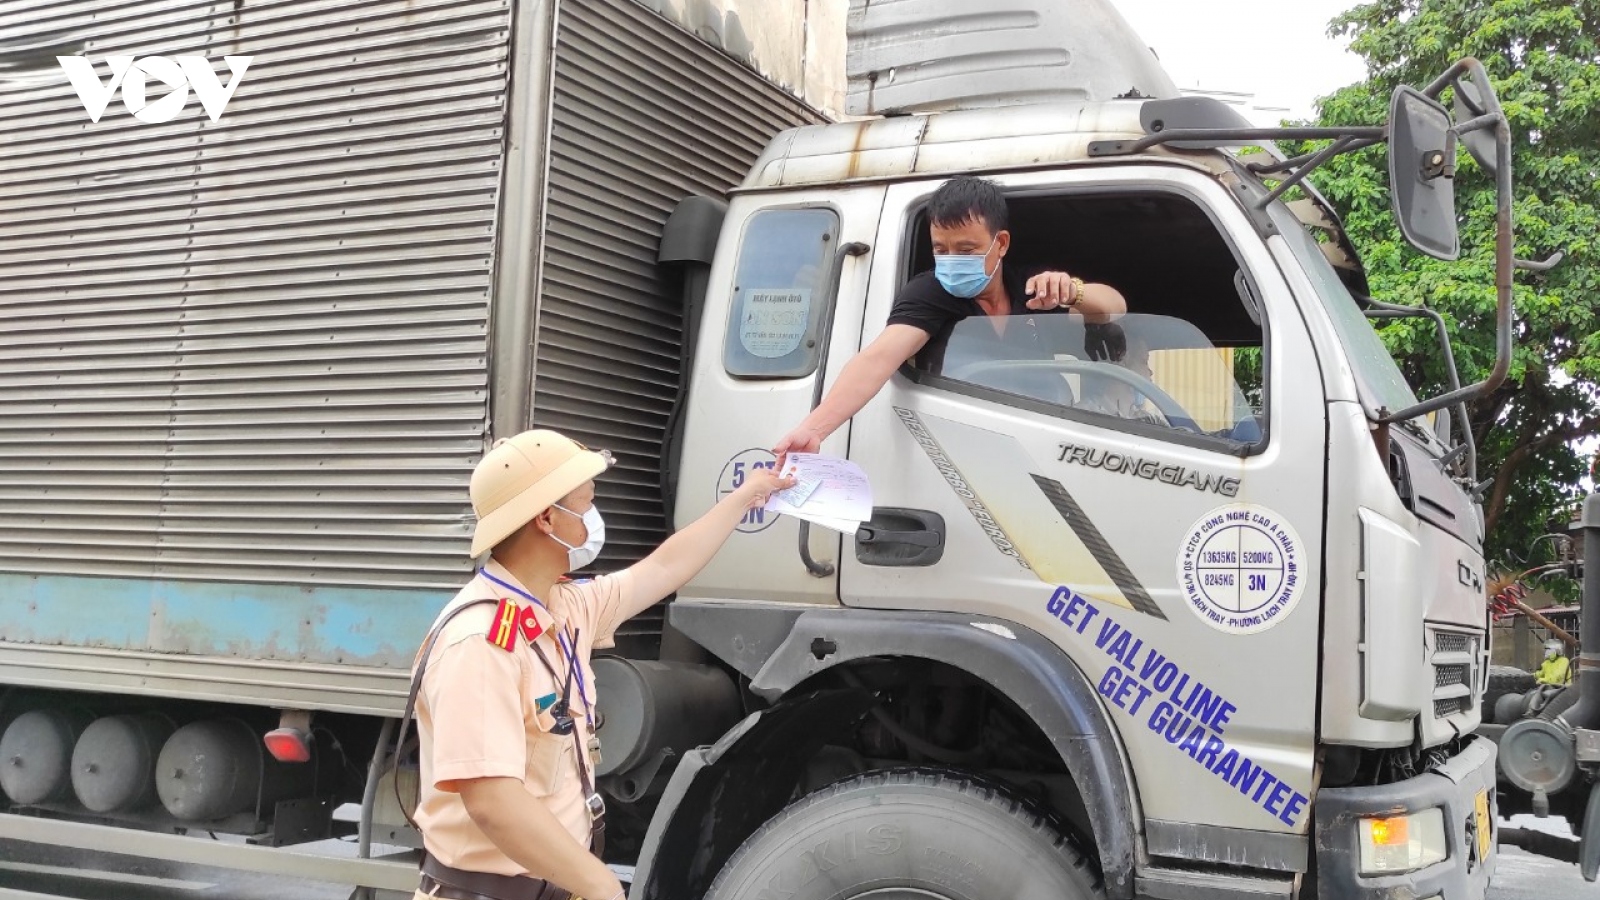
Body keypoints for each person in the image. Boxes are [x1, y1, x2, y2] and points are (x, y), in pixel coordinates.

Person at [406, 429, 790, 900]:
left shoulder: (563, 605)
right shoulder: (480, 641)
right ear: (547, 518)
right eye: (586, 502)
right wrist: (602, 886)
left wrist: (746, 496)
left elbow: (664, 568)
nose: (593, 516)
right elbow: (491, 799)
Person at [774, 175, 1128, 458]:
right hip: (962, 446)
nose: (952, 261)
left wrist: (1073, 290)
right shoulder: (930, 293)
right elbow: (878, 358)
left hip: (1048, 439)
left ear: (1001, 244)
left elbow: (1115, 307)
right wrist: (813, 430)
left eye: (966, 249)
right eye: (940, 249)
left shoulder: (1032, 287)